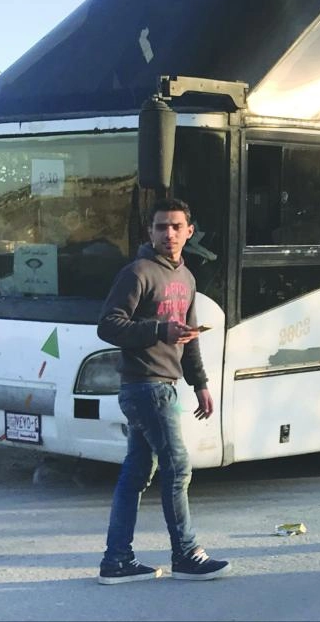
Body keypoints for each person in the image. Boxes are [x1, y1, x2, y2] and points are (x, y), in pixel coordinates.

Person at [96, 197, 230, 584]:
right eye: (160, 227)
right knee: (177, 468)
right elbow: (108, 325)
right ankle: (186, 555)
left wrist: (201, 383)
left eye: (176, 227)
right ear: (149, 232)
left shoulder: (186, 278)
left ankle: (117, 560)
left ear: (189, 232)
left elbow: (189, 337)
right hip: (145, 386)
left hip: (166, 386)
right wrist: (158, 330)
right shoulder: (138, 272)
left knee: (137, 472)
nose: (168, 234)